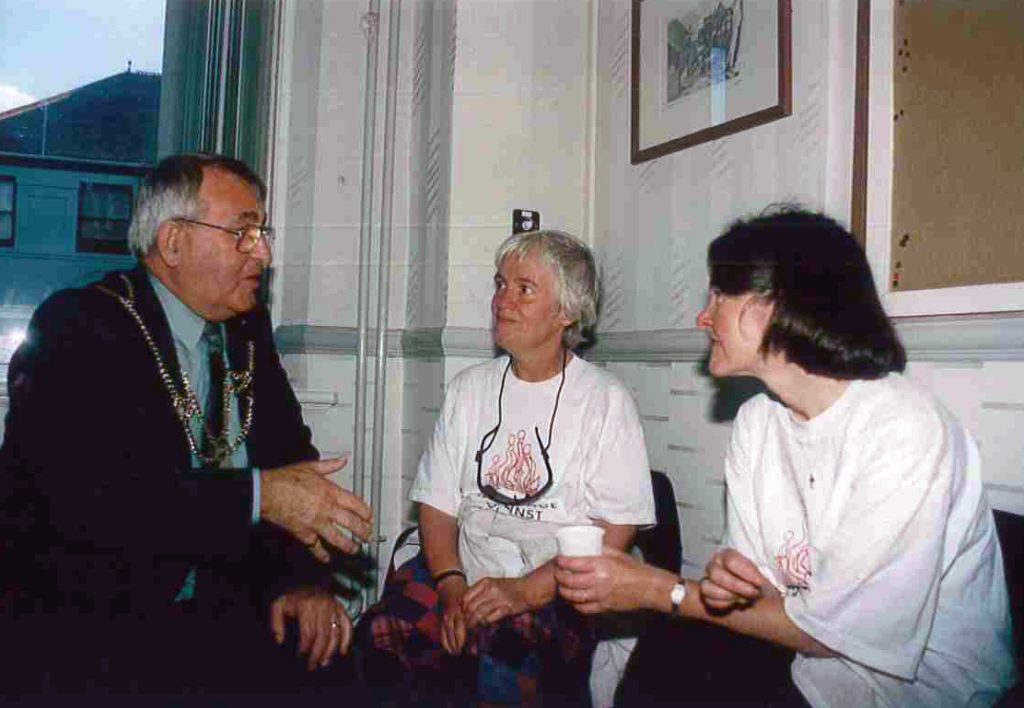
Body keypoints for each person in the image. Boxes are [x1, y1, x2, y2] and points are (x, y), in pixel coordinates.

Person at [555, 209, 1017, 706]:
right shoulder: (757, 422)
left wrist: (659, 590)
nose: (702, 317)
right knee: (672, 649)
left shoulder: (905, 429)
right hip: (810, 662)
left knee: (678, 627)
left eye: (718, 296)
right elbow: (763, 600)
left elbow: (837, 635)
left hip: (921, 691)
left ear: (773, 308)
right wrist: (730, 585)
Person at [0, 153, 373, 700]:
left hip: (226, 608)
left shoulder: (245, 330)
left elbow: (291, 462)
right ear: (173, 242)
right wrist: (259, 496)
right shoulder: (78, 326)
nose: (263, 254)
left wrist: (300, 580)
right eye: (243, 233)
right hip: (98, 621)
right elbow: (91, 501)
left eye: (263, 233)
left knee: (346, 668)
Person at [358, 229, 656, 704]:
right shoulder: (468, 389)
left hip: (556, 584)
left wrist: (526, 591)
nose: (502, 300)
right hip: (466, 570)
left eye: (524, 288)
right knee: (383, 633)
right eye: (500, 284)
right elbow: (437, 506)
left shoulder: (606, 401)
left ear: (567, 312)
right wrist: (452, 585)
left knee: (504, 653)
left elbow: (616, 531)